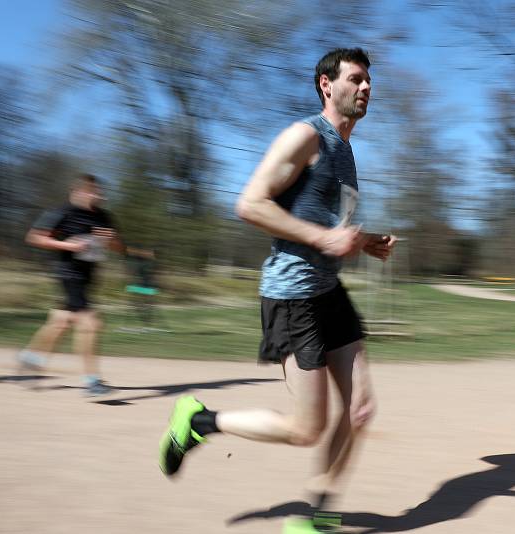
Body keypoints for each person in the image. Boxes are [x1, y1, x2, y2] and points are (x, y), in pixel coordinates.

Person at [158, 48, 397, 532]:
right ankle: (199, 422)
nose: (367, 87)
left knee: (361, 409)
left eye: (369, 80)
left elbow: (329, 226)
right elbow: (249, 203)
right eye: (356, 78)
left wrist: (362, 241)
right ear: (326, 85)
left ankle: (317, 518)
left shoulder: (347, 153)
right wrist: (323, 238)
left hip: (329, 290)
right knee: (307, 429)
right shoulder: (305, 135)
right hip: (293, 295)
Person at [17, 173, 127, 396]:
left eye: (99, 191)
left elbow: (118, 248)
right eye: (92, 191)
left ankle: (30, 357)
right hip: (68, 274)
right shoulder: (61, 213)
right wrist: (68, 246)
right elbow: (34, 238)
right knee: (90, 323)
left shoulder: (104, 217)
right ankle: (92, 381)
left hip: (88, 277)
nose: (98, 195)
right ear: (77, 192)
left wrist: (111, 240)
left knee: (60, 322)